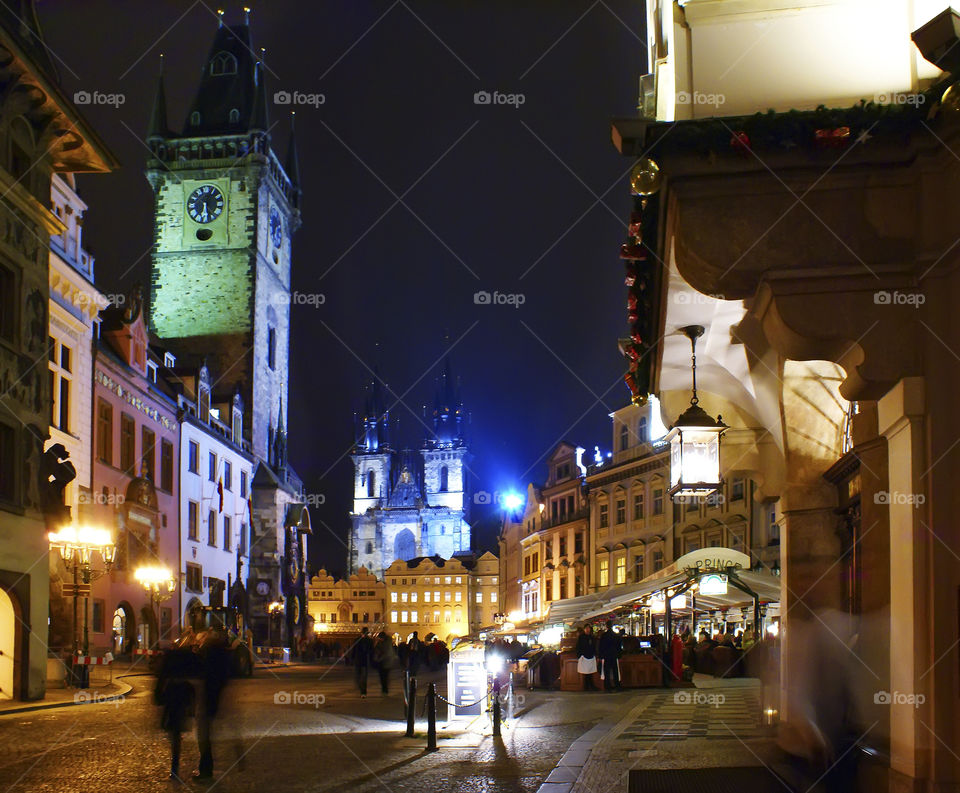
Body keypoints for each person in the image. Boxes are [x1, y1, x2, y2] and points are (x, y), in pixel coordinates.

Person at [193, 628, 232, 781]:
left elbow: (200, 673)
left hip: (205, 699)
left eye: (200, 640)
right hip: (213, 699)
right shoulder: (219, 653)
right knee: (206, 736)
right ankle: (205, 769)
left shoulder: (206, 653)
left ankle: (205, 770)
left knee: (203, 737)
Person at [154, 646, 198, 781]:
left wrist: (158, 696)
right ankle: (175, 765)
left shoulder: (169, 662)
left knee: (174, 732)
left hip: (172, 698)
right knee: (176, 733)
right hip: (182, 698)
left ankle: (175, 767)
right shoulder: (188, 664)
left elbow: (161, 679)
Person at [598, 621, 623, 692]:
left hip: (606, 656)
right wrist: (619, 655)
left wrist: (601, 656)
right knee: (615, 671)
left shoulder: (604, 636)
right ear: (612, 626)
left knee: (607, 672)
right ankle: (617, 685)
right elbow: (619, 647)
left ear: (606, 626)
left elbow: (601, 647)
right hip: (614, 655)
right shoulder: (616, 635)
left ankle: (607, 687)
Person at [575, 625, 598, 691]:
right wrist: (580, 655)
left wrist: (595, 654)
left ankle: (591, 685)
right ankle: (586, 686)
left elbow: (594, 646)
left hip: (591, 656)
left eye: (588, 628)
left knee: (590, 672)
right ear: (584, 629)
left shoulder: (592, 637)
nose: (588, 630)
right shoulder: (581, 637)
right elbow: (578, 647)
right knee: (585, 672)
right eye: (586, 628)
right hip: (584, 656)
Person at [353, 627, 374, 698]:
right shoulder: (358, 640)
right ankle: (362, 690)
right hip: (360, 660)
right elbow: (354, 650)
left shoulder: (368, 641)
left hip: (362, 660)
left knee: (363, 677)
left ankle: (363, 692)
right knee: (360, 677)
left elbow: (371, 651)